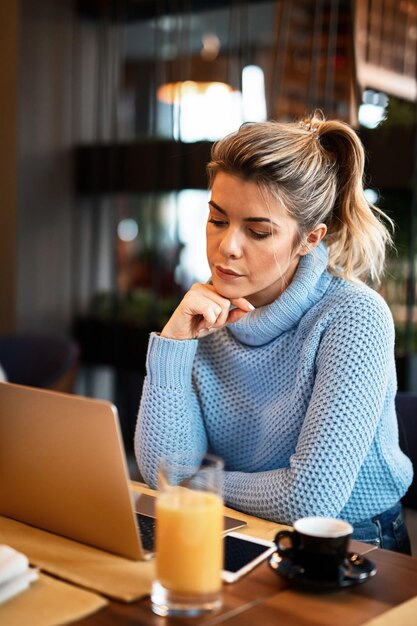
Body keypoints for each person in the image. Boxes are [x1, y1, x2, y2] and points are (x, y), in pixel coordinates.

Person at [135, 112, 413, 553]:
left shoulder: (353, 316)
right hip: (236, 523)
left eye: (259, 231)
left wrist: (195, 481)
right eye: (217, 219)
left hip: (349, 541)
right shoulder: (205, 310)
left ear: (309, 239)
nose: (228, 246)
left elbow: (310, 498)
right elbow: (160, 473)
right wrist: (173, 343)